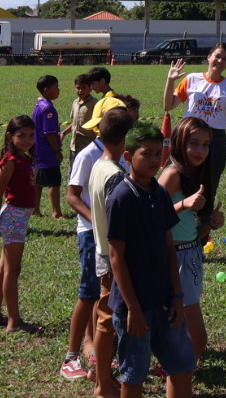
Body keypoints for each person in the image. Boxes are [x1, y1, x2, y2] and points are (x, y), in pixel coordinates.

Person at [105, 119, 197, 398]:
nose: (155, 160)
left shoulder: (159, 192)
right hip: (135, 306)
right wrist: (132, 308)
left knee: (182, 367)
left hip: (165, 300)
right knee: (134, 375)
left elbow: (169, 246)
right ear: (129, 157)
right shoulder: (122, 196)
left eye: (159, 153)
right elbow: (116, 256)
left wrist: (178, 296)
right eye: (147, 153)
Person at [60, 110, 126, 384]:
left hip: (109, 235)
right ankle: (71, 356)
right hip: (92, 233)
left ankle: (102, 353)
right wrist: (97, 222)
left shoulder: (121, 155)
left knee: (105, 298)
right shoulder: (89, 155)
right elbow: (72, 196)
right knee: (88, 294)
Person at [158, 116, 221, 362]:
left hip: (189, 253)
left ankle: (173, 373)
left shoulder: (192, 174)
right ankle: (177, 377)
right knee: (197, 338)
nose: (201, 150)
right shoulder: (172, 174)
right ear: (179, 143)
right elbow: (151, 215)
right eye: (194, 143)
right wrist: (183, 204)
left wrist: (210, 223)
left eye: (205, 144)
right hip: (175, 258)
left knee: (177, 327)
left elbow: (190, 232)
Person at [163, 43, 226, 200]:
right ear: (209, 57)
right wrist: (170, 80)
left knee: (208, 185)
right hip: (188, 135)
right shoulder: (191, 79)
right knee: (178, 177)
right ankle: (171, 214)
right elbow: (168, 105)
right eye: (217, 56)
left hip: (215, 140)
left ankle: (203, 220)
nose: (220, 61)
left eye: (225, 59)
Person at [88, 107, 136, 398]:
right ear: (124, 139)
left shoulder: (99, 165)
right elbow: (122, 224)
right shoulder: (116, 176)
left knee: (105, 313)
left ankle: (100, 375)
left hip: (101, 250)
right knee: (108, 320)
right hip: (113, 255)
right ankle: (103, 384)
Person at [0, 114, 41, 333]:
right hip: (13, 217)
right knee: (12, 270)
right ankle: (14, 320)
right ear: (10, 136)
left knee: (3, 268)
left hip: (20, 217)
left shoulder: (23, 158)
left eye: (30, 135)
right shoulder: (10, 161)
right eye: (21, 135)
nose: (27, 140)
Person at [33, 75, 65, 219]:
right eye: (56, 88)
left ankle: (35, 209)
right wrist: (57, 150)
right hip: (48, 152)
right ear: (46, 90)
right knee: (54, 182)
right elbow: (50, 133)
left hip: (38, 150)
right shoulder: (48, 108)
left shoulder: (38, 106)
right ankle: (56, 212)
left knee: (38, 181)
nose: (58, 90)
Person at [69, 73, 97, 162]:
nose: (80, 91)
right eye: (78, 88)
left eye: (83, 88)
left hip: (88, 147)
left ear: (90, 88)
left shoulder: (95, 103)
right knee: (72, 172)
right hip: (74, 146)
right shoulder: (75, 102)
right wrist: (64, 133)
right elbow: (74, 123)